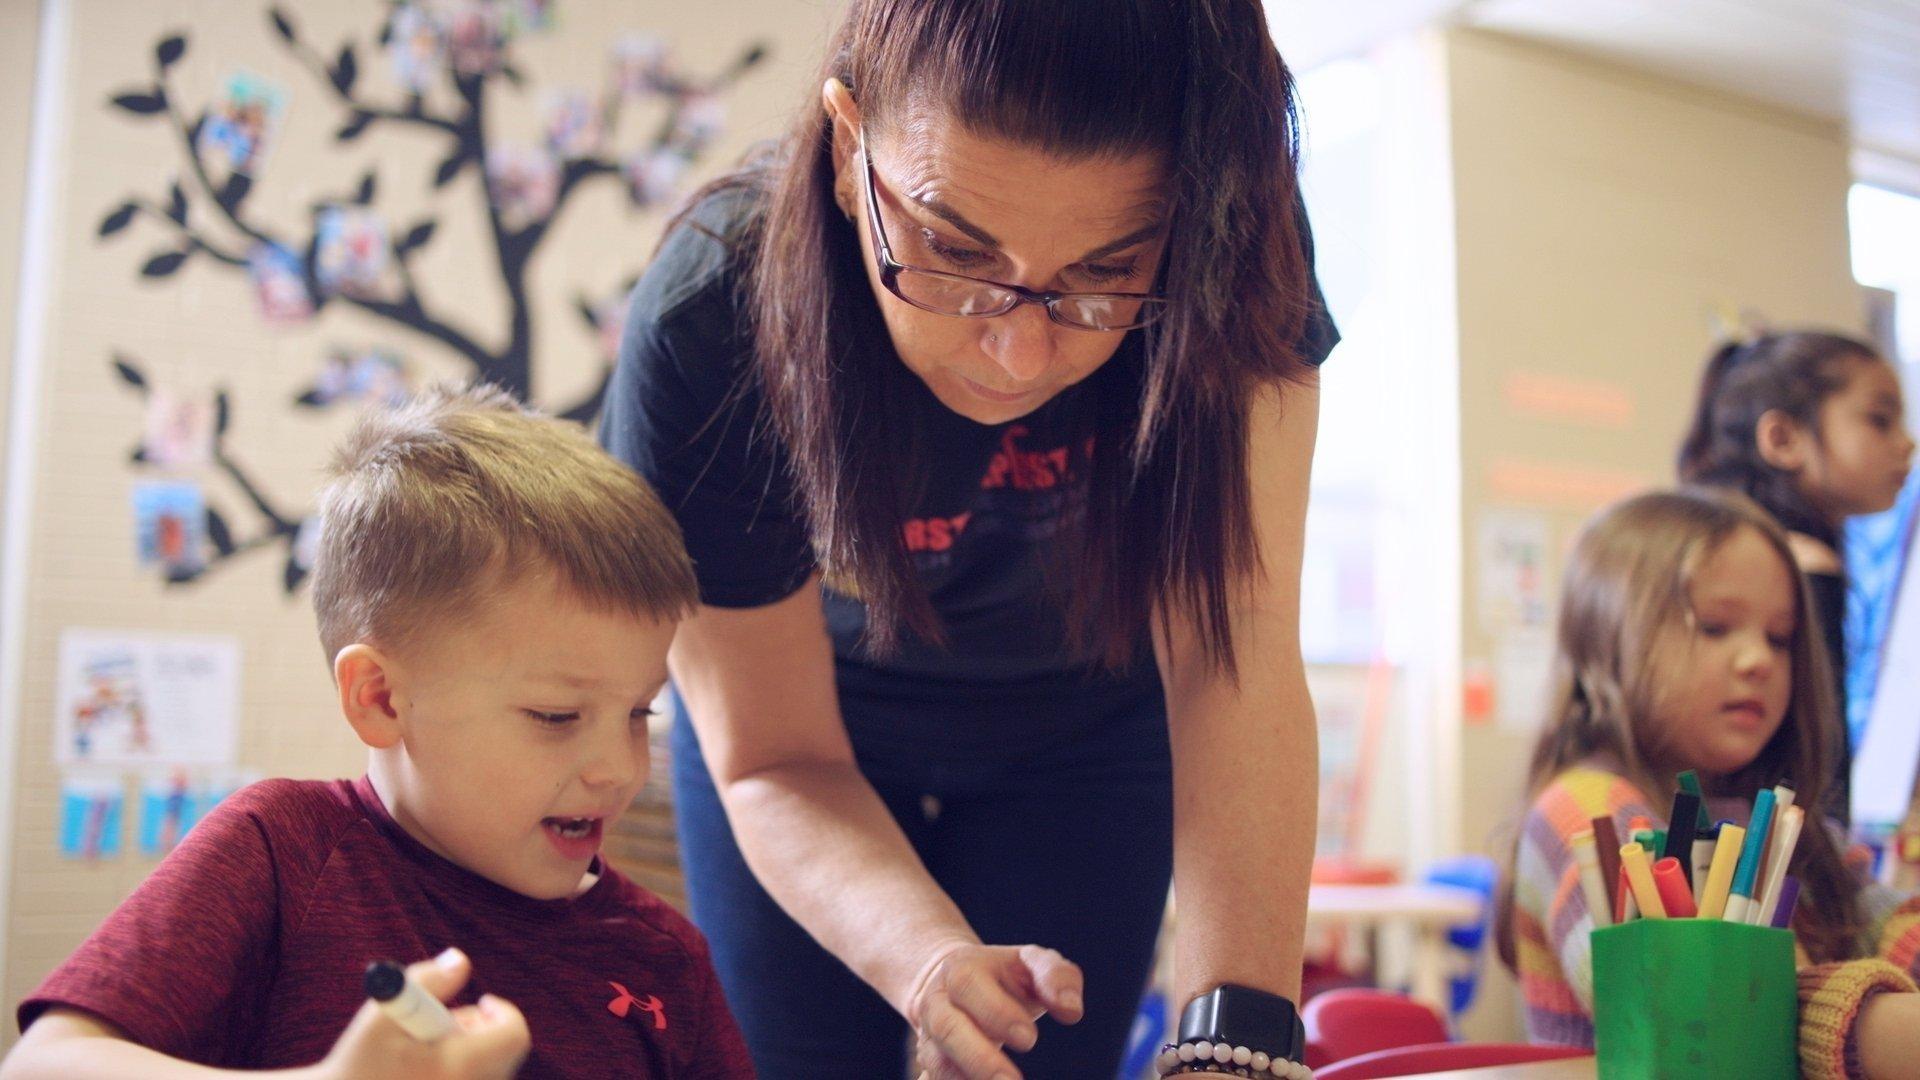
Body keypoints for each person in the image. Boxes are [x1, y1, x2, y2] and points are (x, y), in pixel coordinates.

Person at [598, 0, 1338, 1074]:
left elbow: (1238, 657)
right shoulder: (713, 317)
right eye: (953, 250)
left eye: (1102, 273)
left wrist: (1237, 1044)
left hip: (1088, 722)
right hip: (810, 736)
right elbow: (771, 756)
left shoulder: (1234, 255)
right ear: (851, 148)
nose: (1018, 351)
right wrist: (925, 957)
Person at [3, 386, 749, 1079]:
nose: (620, 769)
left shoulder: (664, 956)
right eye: (557, 716)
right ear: (382, 698)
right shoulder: (283, 851)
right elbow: (40, 1065)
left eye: (640, 714)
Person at [1495, 488, 1920, 1079]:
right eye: (1716, 626)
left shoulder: (1767, 818)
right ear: (1606, 641)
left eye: (1779, 637)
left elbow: (1879, 917)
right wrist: (1890, 1031)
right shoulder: (1581, 810)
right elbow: (1685, 1007)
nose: (1758, 660)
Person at [1677, 330, 1915, 825]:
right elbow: (1821, 768)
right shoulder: (1804, 565)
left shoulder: (1705, 544)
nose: (1907, 442)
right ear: (1783, 440)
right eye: (1879, 419)